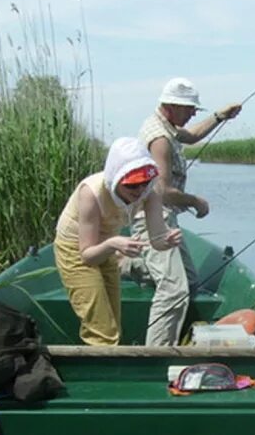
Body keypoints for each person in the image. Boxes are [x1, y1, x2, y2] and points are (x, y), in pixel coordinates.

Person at [126, 77, 242, 346]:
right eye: (190, 109)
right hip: (153, 219)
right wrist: (195, 201)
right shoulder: (160, 139)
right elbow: (163, 190)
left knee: (189, 282)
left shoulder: (168, 126)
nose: (192, 114)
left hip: (165, 217)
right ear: (171, 106)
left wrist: (219, 117)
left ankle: (133, 263)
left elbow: (191, 136)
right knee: (174, 290)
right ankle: (156, 354)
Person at [54, 137, 182, 346]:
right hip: (76, 249)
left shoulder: (151, 191)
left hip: (108, 244)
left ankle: (108, 365)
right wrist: (113, 244)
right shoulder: (91, 193)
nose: (139, 191)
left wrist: (167, 240)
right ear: (117, 179)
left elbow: (157, 240)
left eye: (144, 184)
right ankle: (101, 375)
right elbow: (86, 255)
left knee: (113, 321)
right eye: (132, 186)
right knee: (102, 330)